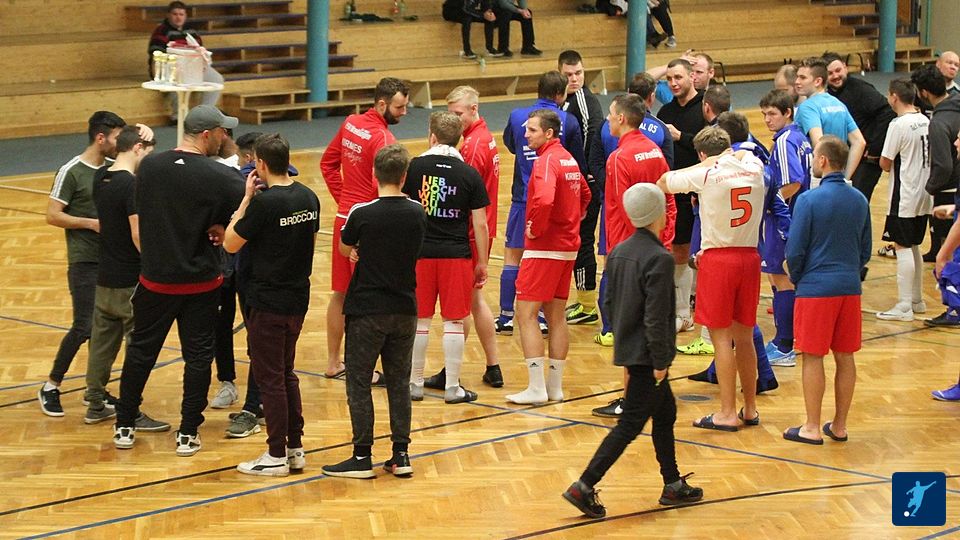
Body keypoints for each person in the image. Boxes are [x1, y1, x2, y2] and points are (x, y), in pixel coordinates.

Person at [561, 183, 701, 520]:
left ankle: (672, 482)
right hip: (649, 356)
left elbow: (609, 301)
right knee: (629, 425)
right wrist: (660, 360)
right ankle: (584, 485)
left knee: (665, 413)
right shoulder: (660, 258)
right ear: (658, 215)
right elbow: (657, 315)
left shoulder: (619, 251)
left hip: (631, 349)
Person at [113, 105, 244, 456]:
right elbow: (247, 204)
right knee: (198, 358)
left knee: (140, 353)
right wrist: (221, 225)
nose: (225, 137)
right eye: (222, 132)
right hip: (201, 284)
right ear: (207, 134)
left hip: (155, 280)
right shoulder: (220, 175)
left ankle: (124, 425)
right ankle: (188, 432)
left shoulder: (149, 167)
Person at [322, 144, 426, 479]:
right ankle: (401, 454)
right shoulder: (417, 212)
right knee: (399, 383)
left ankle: (361, 455)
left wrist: (358, 250)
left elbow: (344, 246)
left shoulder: (362, 212)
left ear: (373, 175)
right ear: (404, 176)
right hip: (405, 308)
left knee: (358, 381)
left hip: (368, 310)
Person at [224, 134, 320, 477]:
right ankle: (295, 449)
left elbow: (230, 243)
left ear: (260, 164)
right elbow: (309, 243)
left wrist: (246, 200)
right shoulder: (309, 197)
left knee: (271, 379)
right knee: (286, 373)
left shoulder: (264, 204)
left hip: (267, 301)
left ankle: (276, 453)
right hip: (297, 298)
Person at [658, 126, 765, 432]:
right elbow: (748, 154)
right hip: (750, 257)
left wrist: (704, 164)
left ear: (702, 153)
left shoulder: (705, 174)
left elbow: (663, 182)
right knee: (745, 337)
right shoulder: (754, 167)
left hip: (719, 259)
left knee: (720, 339)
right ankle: (750, 409)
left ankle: (727, 412)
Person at [588, 94, 674, 419]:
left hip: (628, 251)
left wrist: (618, 254)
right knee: (652, 324)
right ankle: (652, 394)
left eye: (611, 114)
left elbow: (622, 210)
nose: (608, 119)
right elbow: (668, 200)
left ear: (622, 118)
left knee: (629, 329)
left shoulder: (618, 158)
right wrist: (663, 240)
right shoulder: (654, 149)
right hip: (656, 246)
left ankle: (630, 400)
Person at [783, 136, 870, 445]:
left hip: (816, 288)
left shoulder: (808, 200)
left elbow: (795, 249)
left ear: (822, 160)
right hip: (849, 287)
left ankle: (811, 426)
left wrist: (798, 277)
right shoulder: (859, 199)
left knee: (813, 356)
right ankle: (840, 426)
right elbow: (865, 249)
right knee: (845, 356)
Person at [320, 77, 409, 379]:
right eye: (399, 107)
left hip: (344, 218)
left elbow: (327, 164)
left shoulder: (350, 123)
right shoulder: (384, 139)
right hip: (369, 224)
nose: (404, 113)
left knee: (340, 294)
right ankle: (362, 368)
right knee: (366, 301)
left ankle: (334, 362)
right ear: (382, 104)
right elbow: (380, 187)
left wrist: (344, 199)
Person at [40, 111, 125, 417]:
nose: (120, 144)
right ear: (100, 138)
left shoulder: (115, 169)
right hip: (84, 261)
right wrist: (91, 224)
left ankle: (96, 392)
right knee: (85, 325)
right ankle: (51, 385)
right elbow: (53, 215)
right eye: (117, 138)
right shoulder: (72, 171)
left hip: (112, 261)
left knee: (107, 329)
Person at [83, 126, 167, 431]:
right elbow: (137, 232)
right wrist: (157, 265)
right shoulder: (131, 185)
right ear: (138, 148)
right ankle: (131, 411)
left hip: (105, 276)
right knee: (138, 349)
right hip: (130, 279)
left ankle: (95, 403)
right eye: (148, 153)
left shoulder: (101, 178)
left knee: (101, 344)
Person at [403, 112, 490, 404]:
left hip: (419, 255)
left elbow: (402, 206)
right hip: (456, 257)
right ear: (460, 139)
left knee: (420, 321)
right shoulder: (469, 174)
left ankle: (415, 383)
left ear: (432, 136)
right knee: (454, 322)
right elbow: (480, 224)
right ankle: (452, 387)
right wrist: (482, 262)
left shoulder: (414, 167)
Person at [506, 109, 590, 405]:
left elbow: (543, 199)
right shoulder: (568, 158)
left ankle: (535, 388)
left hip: (544, 248)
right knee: (557, 316)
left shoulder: (545, 161)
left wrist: (536, 227)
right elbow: (586, 194)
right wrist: (572, 219)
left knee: (526, 314)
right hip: (567, 247)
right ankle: (554, 387)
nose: (525, 134)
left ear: (549, 133)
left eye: (532, 130)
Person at [423, 86, 504, 390]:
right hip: (480, 229)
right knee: (474, 301)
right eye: (451, 114)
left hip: (470, 233)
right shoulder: (484, 137)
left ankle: (452, 372)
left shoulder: (470, 148)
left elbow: (460, 191)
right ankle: (492, 366)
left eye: (458, 114)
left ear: (474, 109)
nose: (454, 120)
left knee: (461, 306)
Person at [496, 71, 584, 336]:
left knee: (512, 256)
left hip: (522, 197)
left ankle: (505, 316)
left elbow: (513, 145)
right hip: (554, 205)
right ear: (560, 94)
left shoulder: (516, 116)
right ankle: (544, 318)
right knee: (547, 261)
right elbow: (574, 160)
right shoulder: (568, 120)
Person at [758, 89, 812, 366]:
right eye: (764, 114)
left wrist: (771, 202)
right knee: (782, 278)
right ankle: (786, 340)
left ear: (788, 113)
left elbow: (794, 181)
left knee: (781, 278)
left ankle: (784, 345)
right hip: (798, 216)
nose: (767, 119)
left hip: (785, 219)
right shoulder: (799, 137)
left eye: (772, 114)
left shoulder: (784, 141)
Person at [876, 79, 932, 322]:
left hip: (905, 193)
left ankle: (904, 305)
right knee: (914, 244)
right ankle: (917, 300)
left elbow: (885, 162)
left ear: (894, 97)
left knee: (901, 245)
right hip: (925, 192)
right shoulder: (925, 120)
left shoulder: (898, 124)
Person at [657, 58, 705, 334]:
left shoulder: (705, 107)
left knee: (693, 252)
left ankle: (688, 309)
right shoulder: (666, 111)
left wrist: (681, 137)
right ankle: (682, 310)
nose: (674, 83)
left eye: (678, 78)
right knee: (677, 251)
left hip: (700, 192)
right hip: (675, 193)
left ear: (691, 77)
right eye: (669, 79)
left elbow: (714, 144)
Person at [559, 50, 605, 327]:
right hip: (571, 184)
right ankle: (582, 299)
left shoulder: (585, 102)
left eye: (578, 73)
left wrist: (587, 174)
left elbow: (592, 138)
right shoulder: (564, 101)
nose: (574, 79)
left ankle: (588, 306)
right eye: (568, 75)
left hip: (585, 185)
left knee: (583, 240)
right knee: (575, 239)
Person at [823, 51, 897, 203]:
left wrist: (874, 148)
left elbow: (887, 112)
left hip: (866, 160)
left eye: (838, 70)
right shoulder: (827, 95)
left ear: (845, 68)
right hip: (845, 156)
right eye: (830, 73)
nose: (836, 76)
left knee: (856, 201)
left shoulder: (861, 89)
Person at [912, 64, 960, 274]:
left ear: (924, 93)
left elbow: (944, 166)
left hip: (948, 192)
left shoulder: (938, 123)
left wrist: (930, 188)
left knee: (947, 257)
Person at [793, 57, 867, 182]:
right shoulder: (839, 104)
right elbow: (859, 142)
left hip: (817, 178)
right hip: (837, 178)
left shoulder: (808, 107)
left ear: (817, 81)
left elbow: (819, 142)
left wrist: (820, 178)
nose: (796, 81)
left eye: (802, 78)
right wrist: (846, 177)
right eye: (797, 77)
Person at [148, 1, 225, 113]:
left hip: (193, 66)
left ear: (185, 16)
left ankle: (204, 112)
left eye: (181, 14)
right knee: (176, 83)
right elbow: (156, 55)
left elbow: (200, 50)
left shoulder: (192, 31)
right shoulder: (161, 31)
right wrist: (157, 76)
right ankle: (178, 115)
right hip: (172, 68)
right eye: (175, 14)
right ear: (168, 15)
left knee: (216, 79)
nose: (178, 17)